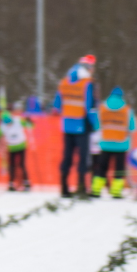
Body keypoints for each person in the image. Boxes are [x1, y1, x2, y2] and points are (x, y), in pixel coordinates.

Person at [53, 55, 98, 198]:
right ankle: (81, 187)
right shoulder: (87, 83)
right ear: (88, 68)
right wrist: (95, 124)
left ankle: (64, 187)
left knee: (67, 156)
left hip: (67, 125)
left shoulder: (64, 81)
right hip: (82, 124)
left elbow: (56, 105)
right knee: (83, 157)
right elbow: (90, 106)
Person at [94, 86, 136, 199]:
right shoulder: (127, 109)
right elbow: (132, 127)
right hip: (121, 144)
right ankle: (116, 192)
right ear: (121, 96)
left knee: (102, 168)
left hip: (105, 143)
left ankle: (96, 190)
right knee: (119, 170)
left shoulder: (102, 107)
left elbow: (97, 125)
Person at [0, 106, 34, 191]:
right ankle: (11, 183)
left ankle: (26, 182)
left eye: (9, 121)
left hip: (21, 146)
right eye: (6, 122)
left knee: (21, 164)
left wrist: (29, 121)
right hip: (11, 147)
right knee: (11, 166)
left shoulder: (18, 120)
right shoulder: (3, 125)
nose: (8, 123)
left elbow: (30, 126)